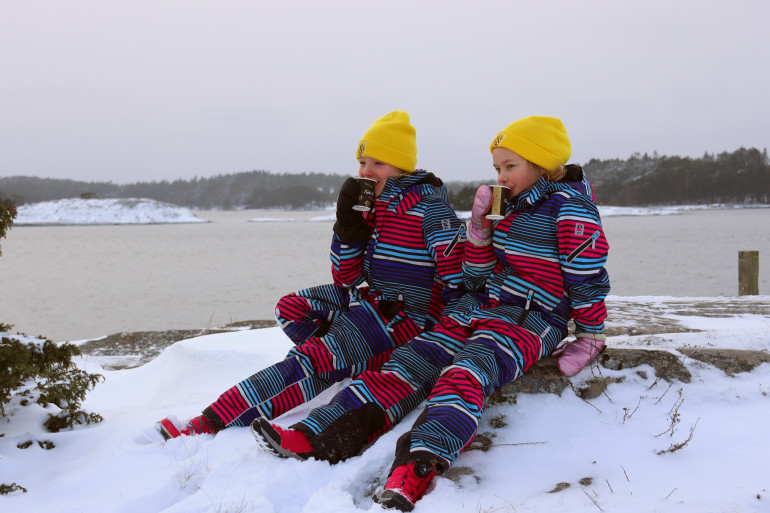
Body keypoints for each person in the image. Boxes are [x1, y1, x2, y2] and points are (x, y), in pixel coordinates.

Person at [251, 115, 611, 511]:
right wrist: (478, 232)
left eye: (511, 166)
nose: (501, 176)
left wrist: (591, 335)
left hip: (533, 317)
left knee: (467, 371)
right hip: (480, 306)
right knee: (410, 361)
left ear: (543, 166)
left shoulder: (571, 210)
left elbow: (587, 277)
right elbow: (474, 276)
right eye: (497, 168)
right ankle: (318, 437)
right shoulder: (505, 204)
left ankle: (417, 465)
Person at [155, 110, 467, 440]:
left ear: (400, 166)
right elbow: (345, 279)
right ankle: (348, 358)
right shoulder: (375, 208)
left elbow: (457, 282)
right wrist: (347, 228)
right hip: (371, 304)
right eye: (362, 162)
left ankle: (211, 421)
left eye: (377, 163)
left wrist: (435, 342)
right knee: (291, 309)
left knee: (312, 359)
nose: (365, 172)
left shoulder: (430, 209)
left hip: (406, 320)